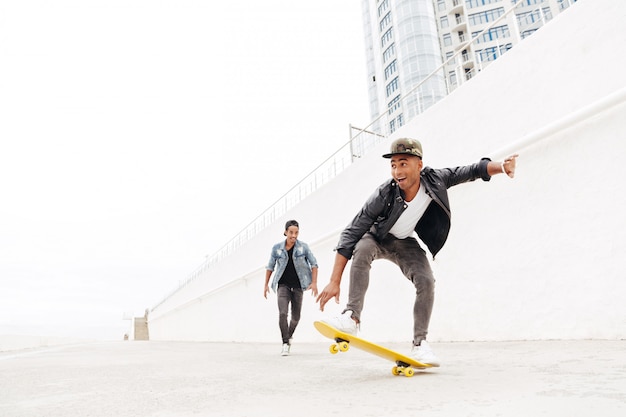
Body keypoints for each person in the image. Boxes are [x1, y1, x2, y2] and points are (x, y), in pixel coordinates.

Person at [316, 138, 518, 366]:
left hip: (404, 243)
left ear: (419, 165)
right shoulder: (384, 193)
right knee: (361, 248)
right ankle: (352, 317)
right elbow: (352, 232)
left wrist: (501, 167)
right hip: (377, 237)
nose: (397, 171)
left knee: (426, 281)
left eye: (403, 164)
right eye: (393, 165)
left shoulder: (436, 179)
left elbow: (470, 170)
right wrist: (334, 281)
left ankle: (420, 344)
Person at [265, 220, 319, 356]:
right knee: (283, 313)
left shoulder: (303, 247)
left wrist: (314, 283)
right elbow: (270, 267)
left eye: (296, 233)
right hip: (282, 285)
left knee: (296, 317)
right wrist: (265, 284)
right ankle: (285, 343)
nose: (293, 235)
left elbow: (314, 264)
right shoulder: (277, 248)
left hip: (298, 286)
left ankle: (289, 336)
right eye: (291, 232)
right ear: (285, 232)